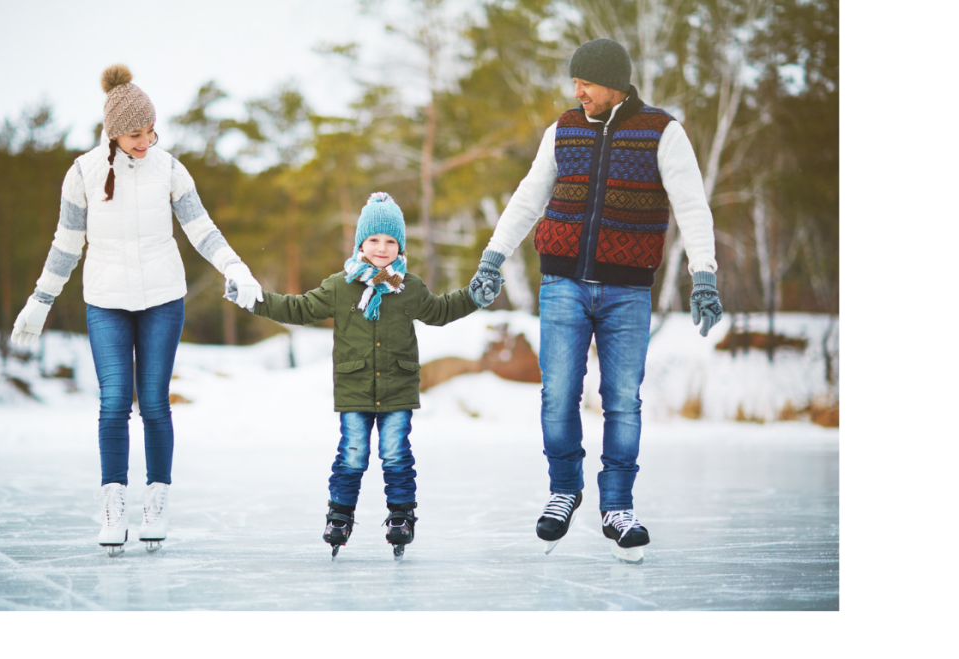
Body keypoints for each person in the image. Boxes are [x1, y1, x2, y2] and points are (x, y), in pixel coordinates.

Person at [468, 38, 724, 564]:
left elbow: (693, 207)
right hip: (562, 284)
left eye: (585, 82)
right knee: (558, 393)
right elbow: (528, 197)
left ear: (614, 83)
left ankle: (617, 506)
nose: (577, 91)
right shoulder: (562, 129)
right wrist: (492, 258)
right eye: (575, 83)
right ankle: (565, 490)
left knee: (622, 400)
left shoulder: (662, 132)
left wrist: (704, 275)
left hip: (627, 290)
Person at [10, 64, 265, 556]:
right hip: (106, 301)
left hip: (162, 300)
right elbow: (66, 244)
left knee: (153, 403)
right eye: (135, 133)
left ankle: (156, 500)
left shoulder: (169, 167)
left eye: (151, 130)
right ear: (113, 133)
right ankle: (112, 503)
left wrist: (236, 267)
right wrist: (41, 299)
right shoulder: (82, 173)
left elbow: (201, 228)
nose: (146, 140)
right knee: (112, 404)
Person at [229, 192, 485, 560]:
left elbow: (440, 310)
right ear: (360, 243)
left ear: (400, 246)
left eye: (390, 241)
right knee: (352, 454)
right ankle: (340, 515)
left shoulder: (408, 286)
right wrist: (255, 299)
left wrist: (474, 296)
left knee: (396, 453)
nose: (382, 248)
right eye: (374, 240)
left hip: (397, 387)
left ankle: (401, 515)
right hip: (355, 387)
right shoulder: (340, 285)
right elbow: (298, 309)